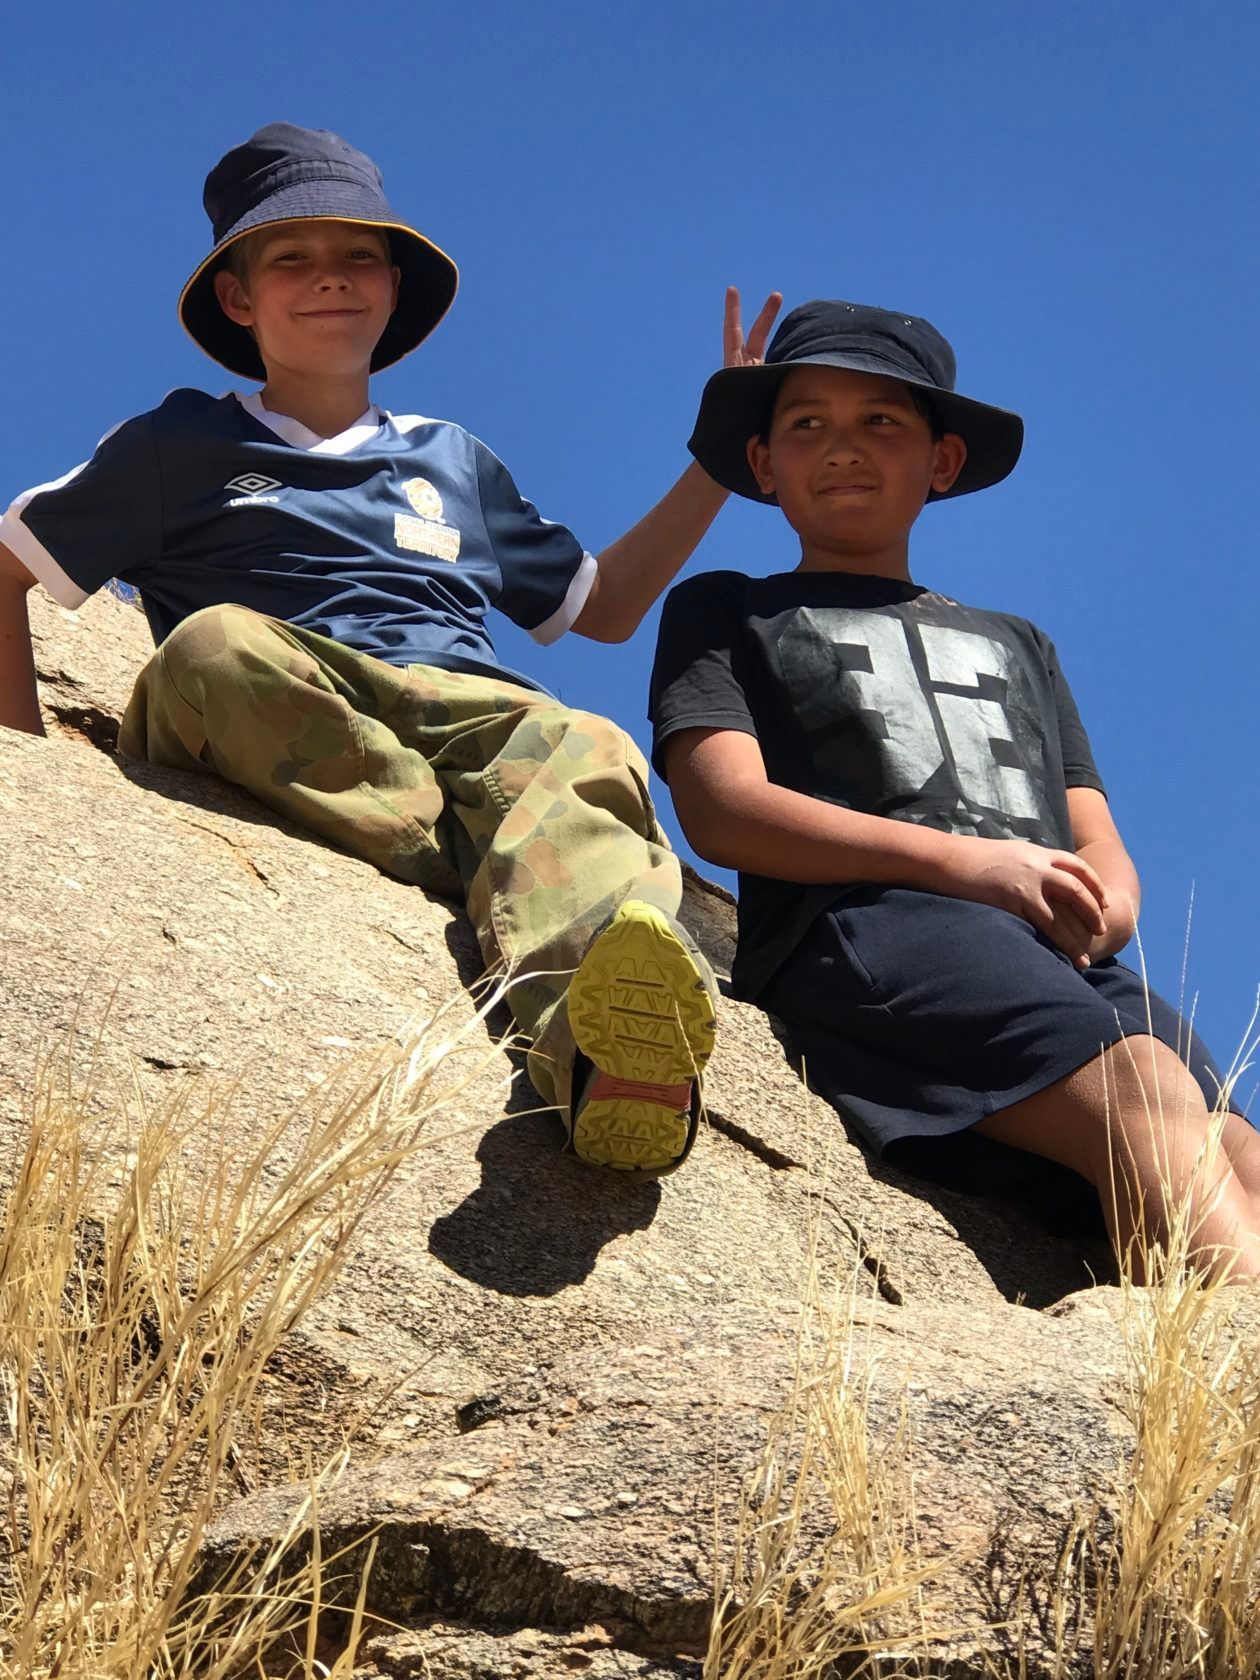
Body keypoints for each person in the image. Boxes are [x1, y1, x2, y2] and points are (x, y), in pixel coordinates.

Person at [0, 120, 781, 1178]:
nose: (330, 277)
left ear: (393, 286)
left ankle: (607, 1057)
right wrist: (29, 781)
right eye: (291, 257)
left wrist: (719, 461)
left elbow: (601, 608)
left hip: (464, 704)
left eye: (357, 255)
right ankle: (487, 852)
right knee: (212, 647)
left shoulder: (452, 460)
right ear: (237, 297)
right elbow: (7, 567)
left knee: (588, 742)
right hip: (294, 689)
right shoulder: (179, 441)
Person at [649, 298, 1260, 1278]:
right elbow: (721, 808)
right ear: (761, 464)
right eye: (806, 423)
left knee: (1239, 1146)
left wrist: (1113, 899)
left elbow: (1089, 823)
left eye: (881, 420)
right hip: (872, 924)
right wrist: (964, 864)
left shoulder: (1019, 642)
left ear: (943, 460)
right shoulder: (728, 608)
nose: (842, 446)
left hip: (1054, 948)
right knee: (1142, 1088)